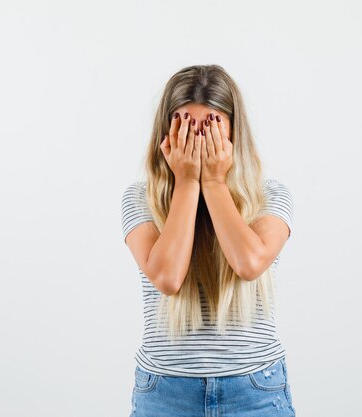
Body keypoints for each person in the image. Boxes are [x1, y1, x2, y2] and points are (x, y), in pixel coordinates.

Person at [120, 64, 297, 417]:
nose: (198, 141)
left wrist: (214, 183)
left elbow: (249, 264)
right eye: (186, 127)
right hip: (166, 392)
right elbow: (167, 278)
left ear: (234, 132)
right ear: (166, 132)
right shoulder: (140, 199)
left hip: (255, 391)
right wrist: (186, 183)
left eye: (211, 128)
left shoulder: (270, 197)